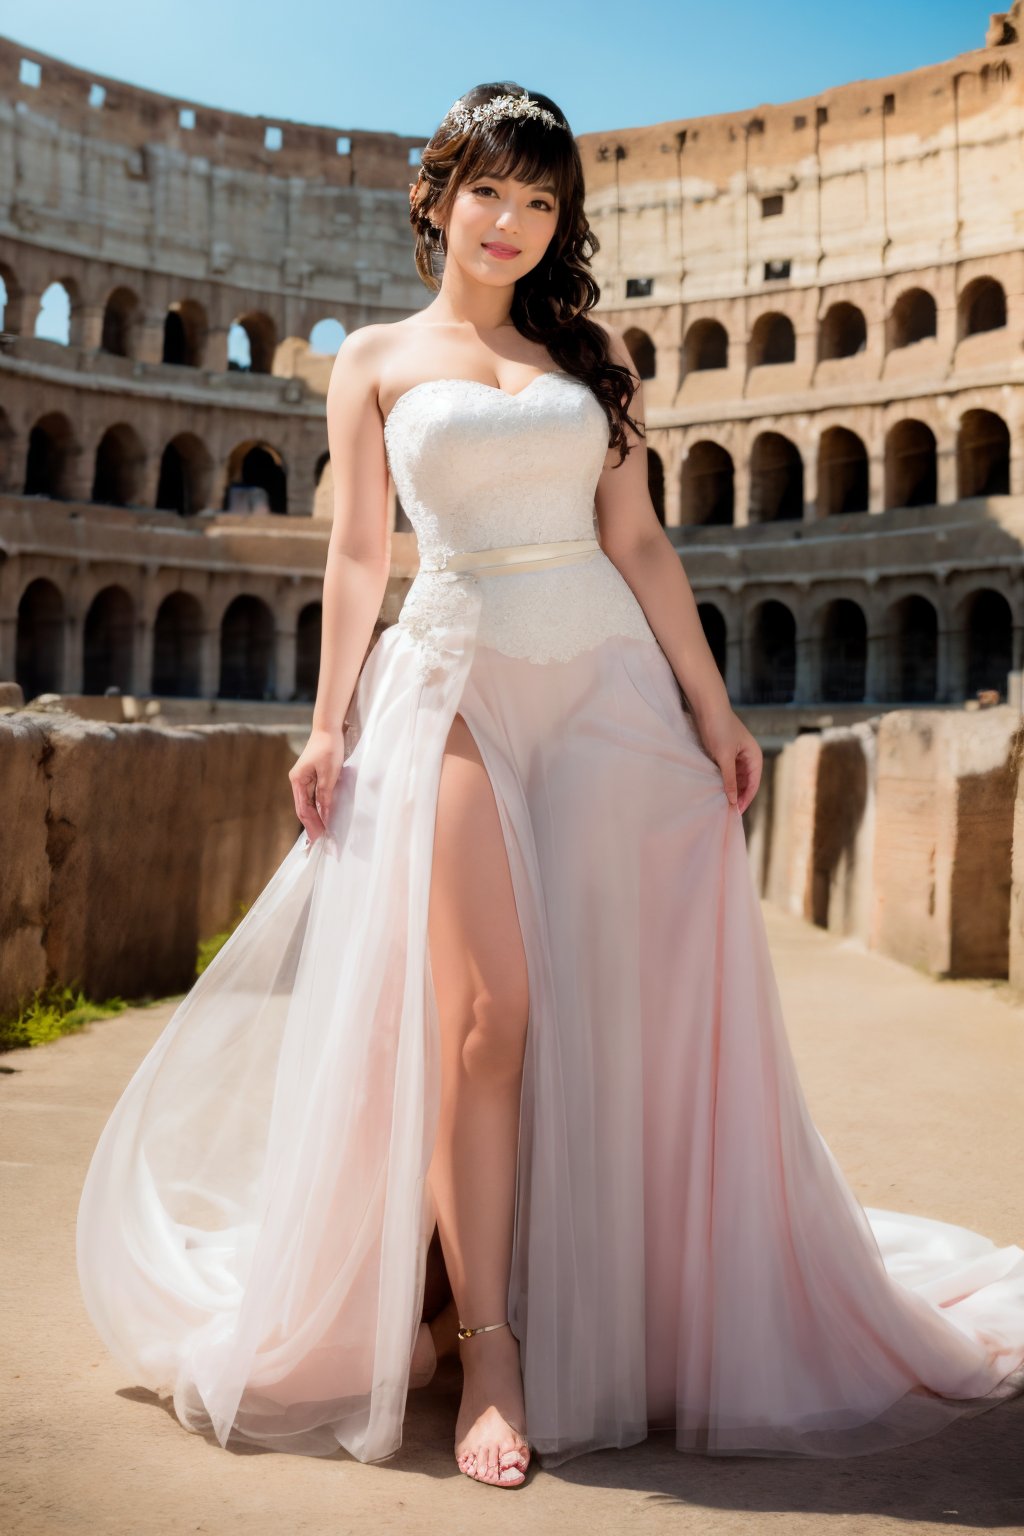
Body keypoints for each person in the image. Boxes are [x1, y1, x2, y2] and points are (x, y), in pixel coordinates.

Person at [77, 81, 1024, 1492]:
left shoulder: (593, 358)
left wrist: (716, 709)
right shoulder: (378, 360)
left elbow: (640, 547)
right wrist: (327, 724)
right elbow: (354, 558)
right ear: (438, 198)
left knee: (608, 1008)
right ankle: (494, 1341)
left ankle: (607, 1299)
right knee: (487, 1015)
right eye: (490, 193)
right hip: (453, 678)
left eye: (540, 201)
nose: (513, 222)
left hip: (604, 691)